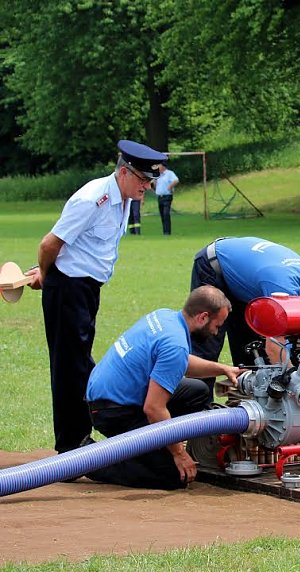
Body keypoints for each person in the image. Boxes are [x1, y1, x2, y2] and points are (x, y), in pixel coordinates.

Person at [25, 140, 167, 454]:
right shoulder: (93, 199)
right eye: (143, 180)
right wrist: (47, 277)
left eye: (151, 181)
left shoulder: (125, 197)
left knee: (79, 361)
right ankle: (71, 445)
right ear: (125, 172)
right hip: (68, 287)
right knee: (70, 366)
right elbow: (50, 244)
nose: (148, 186)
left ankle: (79, 435)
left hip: (86, 289)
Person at [85, 286, 243, 490]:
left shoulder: (166, 317)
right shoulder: (175, 345)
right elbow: (153, 408)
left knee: (197, 391)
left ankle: (153, 446)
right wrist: (178, 453)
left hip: (108, 394)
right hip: (112, 411)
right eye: (217, 325)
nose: (216, 332)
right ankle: (93, 459)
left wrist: (221, 369)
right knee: (172, 475)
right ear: (203, 317)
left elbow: (179, 362)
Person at [190, 236, 300, 383]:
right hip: (214, 265)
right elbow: (275, 344)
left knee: (252, 352)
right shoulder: (282, 286)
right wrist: (295, 379)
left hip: (246, 276)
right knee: (208, 342)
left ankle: (246, 409)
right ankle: (197, 407)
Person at [154, 163, 179, 235]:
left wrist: (170, 187)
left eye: (159, 165)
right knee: (162, 214)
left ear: (163, 166)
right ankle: (165, 231)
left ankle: (167, 232)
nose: (158, 167)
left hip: (167, 196)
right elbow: (154, 184)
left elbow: (176, 180)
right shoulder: (158, 175)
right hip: (160, 196)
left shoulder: (169, 173)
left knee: (166, 213)